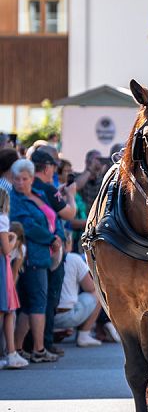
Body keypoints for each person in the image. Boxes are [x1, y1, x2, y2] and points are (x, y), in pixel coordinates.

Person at [10, 159, 61, 363]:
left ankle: (17, 347)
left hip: (45, 254)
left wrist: (58, 236)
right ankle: (38, 350)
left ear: (32, 178)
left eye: (24, 178)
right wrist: (51, 239)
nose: (20, 183)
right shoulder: (14, 199)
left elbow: (53, 218)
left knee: (32, 304)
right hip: (31, 256)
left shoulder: (39, 194)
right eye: (16, 179)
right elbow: (27, 226)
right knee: (38, 302)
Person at [31, 149, 77, 356]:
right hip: (52, 251)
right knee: (49, 298)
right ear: (47, 167)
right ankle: (45, 343)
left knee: (33, 300)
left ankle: (33, 344)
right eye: (53, 167)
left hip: (35, 251)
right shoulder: (48, 189)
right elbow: (69, 213)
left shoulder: (29, 187)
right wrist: (71, 196)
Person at [53, 233, 101, 347]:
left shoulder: (47, 257)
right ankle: (84, 335)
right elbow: (90, 287)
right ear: (68, 243)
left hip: (48, 316)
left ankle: (55, 330)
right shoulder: (73, 258)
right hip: (68, 315)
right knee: (98, 294)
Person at [0, 189, 27, 369]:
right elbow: (7, 250)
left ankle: (9, 352)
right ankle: (10, 353)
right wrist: (13, 237)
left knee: (7, 310)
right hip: (2, 267)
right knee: (6, 310)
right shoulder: (2, 218)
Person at [75, 149, 108, 214]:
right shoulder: (77, 176)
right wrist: (90, 168)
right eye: (96, 159)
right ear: (87, 162)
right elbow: (77, 186)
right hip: (81, 217)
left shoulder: (101, 179)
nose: (99, 162)